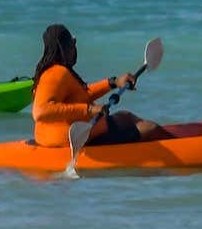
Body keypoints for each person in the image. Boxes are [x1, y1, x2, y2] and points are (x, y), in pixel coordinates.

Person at [31, 23, 167, 147]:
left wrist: (114, 82)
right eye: (73, 43)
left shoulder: (56, 70)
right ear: (64, 48)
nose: (74, 48)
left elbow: (81, 96)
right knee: (151, 128)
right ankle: (176, 148)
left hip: (83, 131)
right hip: (76, 140)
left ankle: (169, 142)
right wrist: (90, 109)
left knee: (126, 116)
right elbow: (41, 111)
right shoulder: (56, 73)